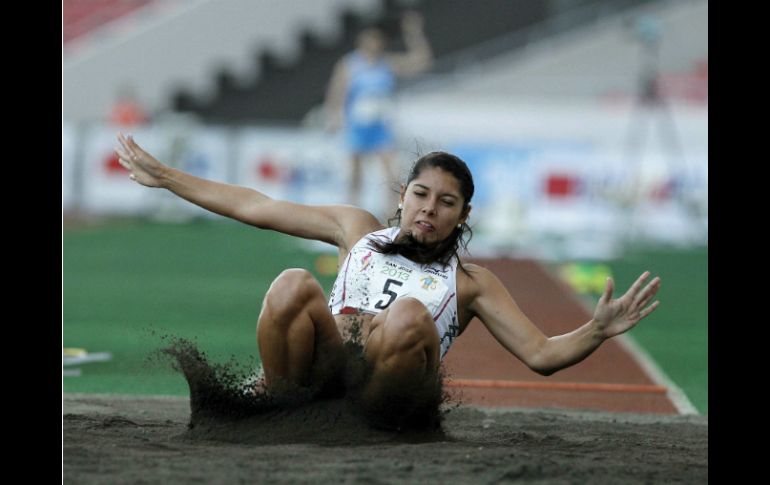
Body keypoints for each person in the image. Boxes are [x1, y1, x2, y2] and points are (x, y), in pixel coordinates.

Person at [115, 133, 661, 429]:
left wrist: (596, 329)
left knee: (406, 317)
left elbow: (540, 353)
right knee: (290, 284)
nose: (429, 210)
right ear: (402, 196)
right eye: (421, 195)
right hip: (325, 370)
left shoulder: (472, 282)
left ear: (462, 216)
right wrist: (166, 178)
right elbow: (255, 204)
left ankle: (364, 420)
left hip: (390, 392)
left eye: (446, 203)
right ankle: (277, 407)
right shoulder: (355, 228)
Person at [324, 11, 433, 215]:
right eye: (369, 39)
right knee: (355, 176)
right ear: (361, 41)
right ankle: (351, 215)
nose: (373, 43)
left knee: (392, 175)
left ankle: (390, 218)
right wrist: (334, 115)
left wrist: (414, 33)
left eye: (377, 39)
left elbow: (421, 61)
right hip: (357, 128)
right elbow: (337, 91)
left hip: (381, 128)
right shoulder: (350, 65)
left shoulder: (387, 63)